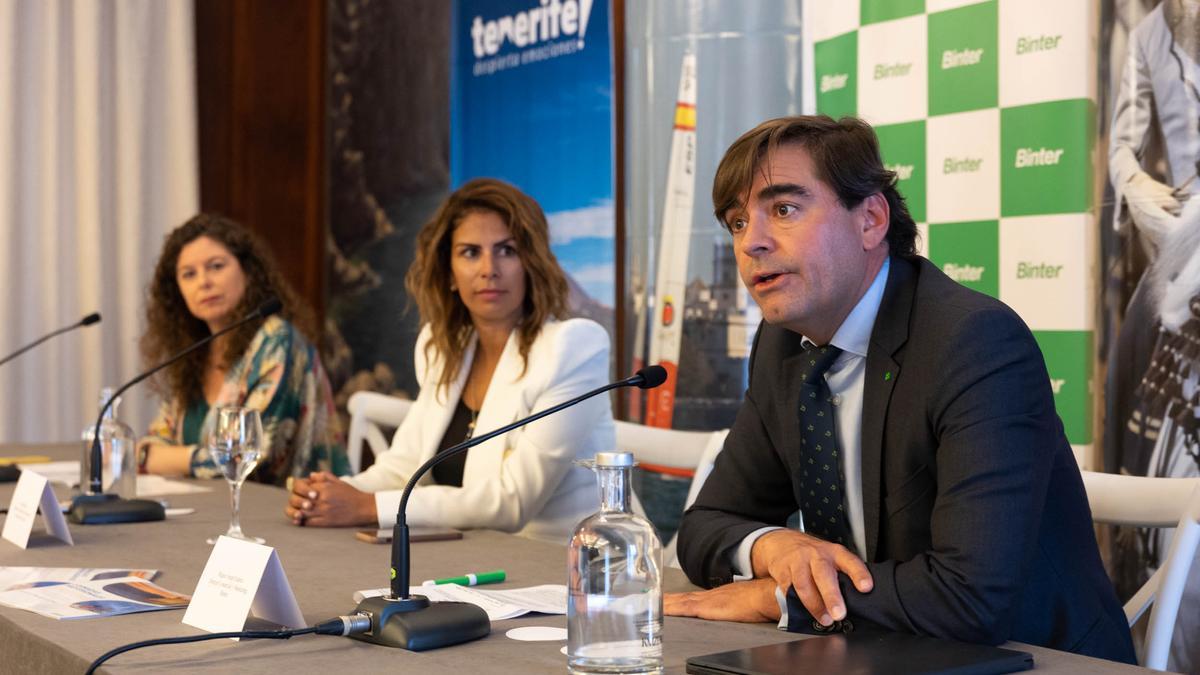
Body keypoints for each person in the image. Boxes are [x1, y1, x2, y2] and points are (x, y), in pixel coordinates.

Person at [664, 116, 1136, 663]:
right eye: (738, 222)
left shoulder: (972, 342)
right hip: (875, 654)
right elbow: (704, 529)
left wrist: (777, 597)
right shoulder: (782, 346)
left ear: (870, 219)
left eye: (784, 209)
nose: (753, 242)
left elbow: (970, 597)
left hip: (1033, 660)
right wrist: (776, 546)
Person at [284, 178, 615, 542]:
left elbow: (512, 503)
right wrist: (331, 493)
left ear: (531, 263)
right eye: (471, 252)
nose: (489, 268)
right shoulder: (443, 346)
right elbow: (406, 466)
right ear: (450, 273)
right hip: (466, 558)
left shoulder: (573, 347)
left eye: (507, 250)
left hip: (568, 572)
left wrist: (366, 506)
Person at [138, 213, 348, 486]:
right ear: (176, 290)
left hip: (293, 514)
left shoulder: (277, 342)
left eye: (216, 266)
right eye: (189, 274)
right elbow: (159, 436)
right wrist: (152, 454)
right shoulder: (194, 352)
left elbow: (250, 458)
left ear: (248, 271)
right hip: (213, 510)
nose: (204, 282)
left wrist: (156, 458)